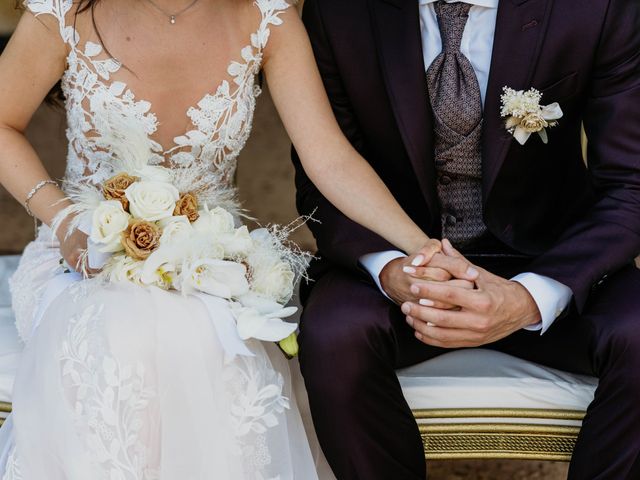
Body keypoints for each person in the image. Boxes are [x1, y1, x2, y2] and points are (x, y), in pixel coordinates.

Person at [0, 0, 441, 478]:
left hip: (212, 262)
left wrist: (422, 248)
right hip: (82, 257)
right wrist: (63, 220)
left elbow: (330, 159)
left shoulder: (268, 18)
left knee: (220, 340)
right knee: (127, 332)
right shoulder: (62, 11)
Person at [293, 0, 640, 479]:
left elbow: (631, 184)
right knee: (333, 334)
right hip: (405, 262)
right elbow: (322, 178)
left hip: (550, 256)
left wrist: (530, 296)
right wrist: (395, 270)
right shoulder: (341, 12)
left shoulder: (596, 8)